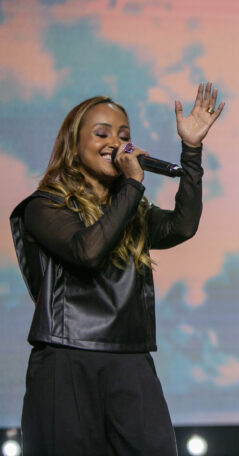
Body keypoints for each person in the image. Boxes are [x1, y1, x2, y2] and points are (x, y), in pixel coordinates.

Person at [9, 82, 224, 455]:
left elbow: (182, 226)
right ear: (73, 144)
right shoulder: (43, 207)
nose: (116, 142)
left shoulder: (131, 209)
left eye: (124, 135)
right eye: (102, 133)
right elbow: (87, 250)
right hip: (66, 358)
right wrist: (132, 186)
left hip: (129, 358)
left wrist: (191, 151)